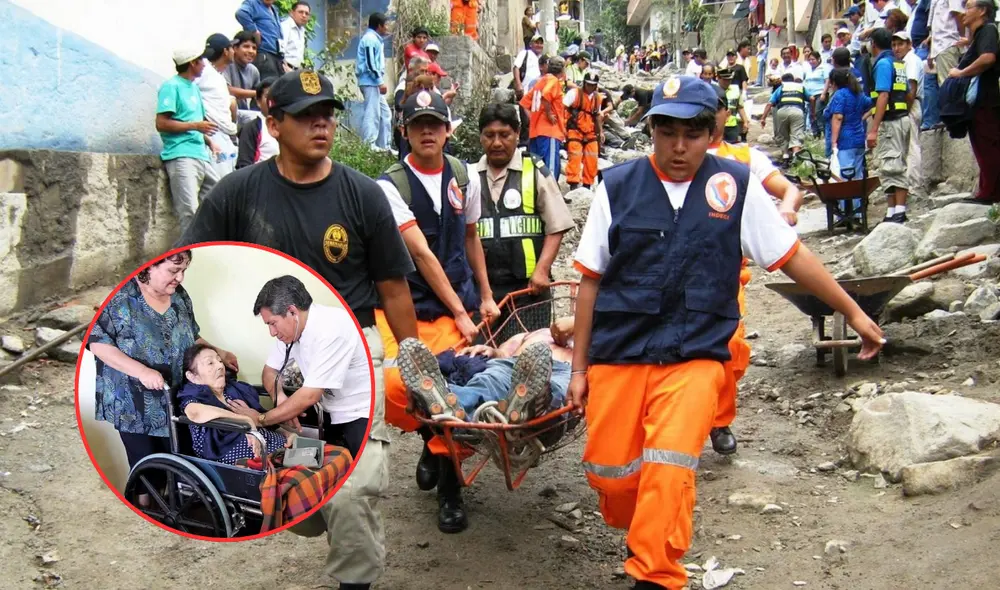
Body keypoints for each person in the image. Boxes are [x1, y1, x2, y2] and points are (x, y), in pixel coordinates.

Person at [569, 75, 885, 590]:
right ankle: (646, 528)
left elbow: (792, 256)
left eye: (691, 133)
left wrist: (853, 312)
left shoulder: (735, 186)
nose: (678, 146)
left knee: (669, 467)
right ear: (651, 130)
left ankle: (655, 573)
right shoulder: (617, 187)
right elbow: (589, 280)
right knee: (612, 474)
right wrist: (580, 369)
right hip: (620, 354)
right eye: (666, 131)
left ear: (710, 131)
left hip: (696, 353)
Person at [176, 70, 418, 590]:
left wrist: (415, 359)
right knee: (302, 470)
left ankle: (355, 580)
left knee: (352, 483)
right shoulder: (236, 195)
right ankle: (317, 503)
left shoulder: (362, 196)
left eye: (327, 114)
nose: (321, 124)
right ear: (273, 123)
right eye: (307, 115)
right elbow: (186, 261)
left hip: (353, 360)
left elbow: (394, 288)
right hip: (292, 356)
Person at [376, 89, 499, 534]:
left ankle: (450, 489)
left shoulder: (464, 177)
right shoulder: (389, 186)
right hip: (405, 307)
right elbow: (423, 255)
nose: (427, 131)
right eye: (417, 124)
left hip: (455, 303)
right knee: (398, 385)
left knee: (450, 393)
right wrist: (463, 314)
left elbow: (471, 240)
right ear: (404, 132)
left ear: (448, 130)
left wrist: (484, 294)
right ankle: (430, 442)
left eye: (435, 123)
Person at [88, 250, 239, 507]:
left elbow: (191, 337)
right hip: (132, 404)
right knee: (147, 465)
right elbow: (97, 344)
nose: (180, 278)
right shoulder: (121, 298)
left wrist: (219, 352)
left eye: (183, 271)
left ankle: (173, 510)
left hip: (174, 396)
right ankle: (145, 513)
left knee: (181, 459)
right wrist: (142, 371)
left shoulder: (179, 296)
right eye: (173, 271)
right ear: (148, 267)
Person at [706, 83, 803, 454]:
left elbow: (788, 189)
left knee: (730, 347)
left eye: (716, 109)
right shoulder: (674, 156)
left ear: (724, 114)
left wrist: (786, 208)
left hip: (727, 276)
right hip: (675, 271)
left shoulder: (745, 158)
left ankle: (719, 421)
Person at [476, 103, 575, 338]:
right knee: (484, 360)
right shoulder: (469, 176)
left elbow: (557, 226)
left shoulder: (535, 171)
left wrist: (542, 271)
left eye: (504, 135)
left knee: (528, 360)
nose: (497, 143)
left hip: (529, 291)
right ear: (480, 137)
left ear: (517, 134)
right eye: (489, 136)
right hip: (485, 292)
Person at [178, 343, 292, 463]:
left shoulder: (232, 390)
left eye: (220, 361)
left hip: (280, 449)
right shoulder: (193, 395)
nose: (220, 366)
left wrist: (286, 432)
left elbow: (259, 418)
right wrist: (245, 421)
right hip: (250, 463)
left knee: (308, 458)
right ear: (192, 376)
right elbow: (194, 413)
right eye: (210, 363)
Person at [155, 45, 221, 234]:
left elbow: (194, 123)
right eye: (202, 60)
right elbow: (162, 123)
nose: (205, 65)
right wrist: (196, 126)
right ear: (193, 63)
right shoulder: (171, 86)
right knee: (189, 212)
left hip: (201, 155)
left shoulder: (194, 88)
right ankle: (187, 255)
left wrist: (210, 142)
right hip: (181, 154)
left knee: (218, 197)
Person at [949, 0, 1000, 204]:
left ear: (982, 11)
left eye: (968, 7)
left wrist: (961, 73)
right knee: (982, 146)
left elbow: (987, 58)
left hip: (986, 101)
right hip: (979, 102)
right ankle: (986, 190)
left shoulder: (988, 30)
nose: (964, 13)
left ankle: (991, 193)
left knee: (989, 146)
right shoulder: (980, 34)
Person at [867, 27, 911, 223]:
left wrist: (874, 129)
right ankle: (892, 211)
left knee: (893, 165)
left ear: (873, 44)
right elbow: (908, 93)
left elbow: (883, 95)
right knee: (889, 165)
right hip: (901, 118)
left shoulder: (883, 64)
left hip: (891, 121)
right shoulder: (898, 63)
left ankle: (899, 211)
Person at [197, 33, 241, 178]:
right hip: (213, 134)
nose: (234, 51)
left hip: (223, 134)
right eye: (232, 48)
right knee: (219, 183)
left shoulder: (215, 75)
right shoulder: (204, 71)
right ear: (225, 51)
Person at [520, 57, 568, 182]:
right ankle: (550, 197)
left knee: (537, 167)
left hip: (535, 132)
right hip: (550, 131)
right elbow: (546, 95)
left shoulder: (540, 82)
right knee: (550, 169)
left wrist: (533, 119)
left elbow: (524, 103)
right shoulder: (554, 81)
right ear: (562, 70)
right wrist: (548, 114)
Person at [893, 31, 924, 197]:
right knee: (907, 147)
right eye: (894, 45)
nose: (897, 48)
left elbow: (911, 89)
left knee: (912, 147)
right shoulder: (903, 61)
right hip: (907, 105)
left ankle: (914, 186)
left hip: (910, 105)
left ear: (909, 45)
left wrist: (904, 110)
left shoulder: (911, 61)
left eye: (900, 44)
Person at [356, 12, 392, 151]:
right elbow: (371, 64)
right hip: (370, 81)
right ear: (379, 26)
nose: (387, 27)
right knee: (372, 113)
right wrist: (380, 81)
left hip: (374, 82)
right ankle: (369, 145)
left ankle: (385, 146)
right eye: (386, 25)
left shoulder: (375, 39)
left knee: (385, 113)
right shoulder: (370, 39)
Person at [564, 71, 604, 191]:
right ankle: (573, 184)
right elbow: (562, 110)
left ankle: (587, 185)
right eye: (588, 84)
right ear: (584, 83)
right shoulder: (574, 94)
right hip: (575, 130)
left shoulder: (597, 98)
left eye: (593, 85)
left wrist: (600, 132)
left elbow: (597, 116)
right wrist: (562, 130)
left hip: (590, 132)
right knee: (575, 157)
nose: (590, 87)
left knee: (592, 158)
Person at [760, 73, 808, 159]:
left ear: (782, 81)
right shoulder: (800, 87)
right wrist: (812, 111)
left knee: (783, 135)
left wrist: (763, 118)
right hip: (797, 111)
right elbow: (811, 98)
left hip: (782, 112)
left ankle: (785, 155)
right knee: (796, 135)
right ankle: (795, 157)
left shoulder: (781, 88)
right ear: (793, 80)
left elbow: (770, 103)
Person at [236, 77, 279, 168]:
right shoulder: (252, 128)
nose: (272, 101)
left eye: (277, 96)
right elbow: (244, 165)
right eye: (267, 96)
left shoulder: (289, 125)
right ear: (258, 101)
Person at [235, 0, 284, 79]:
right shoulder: (253, 3)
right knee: (268, 87)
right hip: (264, 54)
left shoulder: (274, 9)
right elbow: (241, 14)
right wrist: (254, 31)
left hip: (277, 56)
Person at [224, 31, 262, 121]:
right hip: (226, 111)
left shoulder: (254, 70)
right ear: (235, 48)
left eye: (254, 48)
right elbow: (227, 90)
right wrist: (258, 93)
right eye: (246, 46)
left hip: (244, 112)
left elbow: (258, 99)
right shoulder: (226, 65)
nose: (251, 51)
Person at [716, 67, 748, 143]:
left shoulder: (735, 90)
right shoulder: (713, 90)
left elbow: (740, 107)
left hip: (732, 125)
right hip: (718, 125)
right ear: (719, 78)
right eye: (725, 80)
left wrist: (745, 122)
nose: (728, 82)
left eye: (729, 80)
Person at [804, 52, 832, 136]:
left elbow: (827, 81)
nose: (811, 61)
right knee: (811, 114)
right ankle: (815, 133)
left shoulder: (824, 68)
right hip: (810, 95)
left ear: (818, 59)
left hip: (820, 93)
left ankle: (823, 130)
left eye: (813, 59)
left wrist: (824, 93)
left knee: (818, 112)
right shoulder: (808, 70)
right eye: (809, 60)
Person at [280, 1, 311, 70]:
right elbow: (280, 52)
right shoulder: (285, 26)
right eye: (300, 12)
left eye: (307, 13)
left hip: (297, 71)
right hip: (285, 70)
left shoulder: (302, 30)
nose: (304, 15)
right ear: (291, 13)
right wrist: (286, 68)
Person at [513, 35, 544, 100]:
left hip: (537, 93)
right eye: (536, 43)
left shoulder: (542, 58)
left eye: (541, 43)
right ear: (530, 44)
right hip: (525, 90)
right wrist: (518, 85)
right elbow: (516, 67)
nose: (539, 45)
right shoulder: (525, 53)